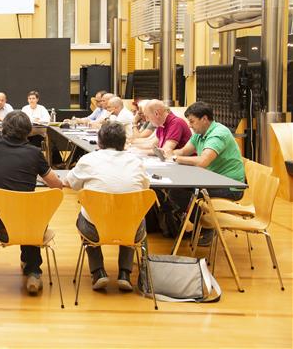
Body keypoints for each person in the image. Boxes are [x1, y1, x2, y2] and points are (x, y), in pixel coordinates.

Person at [0, 111, 63, 295]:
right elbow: (56, 185)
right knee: (30, 215)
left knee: (21, 212)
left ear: (4, 128)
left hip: (1, 227)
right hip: (30, 228)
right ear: (28, 131)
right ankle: (33, 272)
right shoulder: (34, 153)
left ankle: (28, 264)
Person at [62, 121, 150, 291]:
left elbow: (69, 182)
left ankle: (98, 272)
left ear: (100, 142)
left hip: (94, 230)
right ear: (123, 143)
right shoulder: (136, 161)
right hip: (130, 230)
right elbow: (145, 188)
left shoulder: (88, 160)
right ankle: (125, 273)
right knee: (133, 216)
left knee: (85, 216)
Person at [165, 102, 245, 245]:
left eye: (192, 121)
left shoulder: (218, 133)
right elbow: (184, 151)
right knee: (176, 191)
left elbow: (203, 161)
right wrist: (168, 153)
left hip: (230, 186)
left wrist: (175, 157)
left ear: (205, 119)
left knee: (179, 194)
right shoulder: (199, 133)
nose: (190, 125)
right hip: (212, 179)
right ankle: (200, 224)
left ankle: (208, 226)